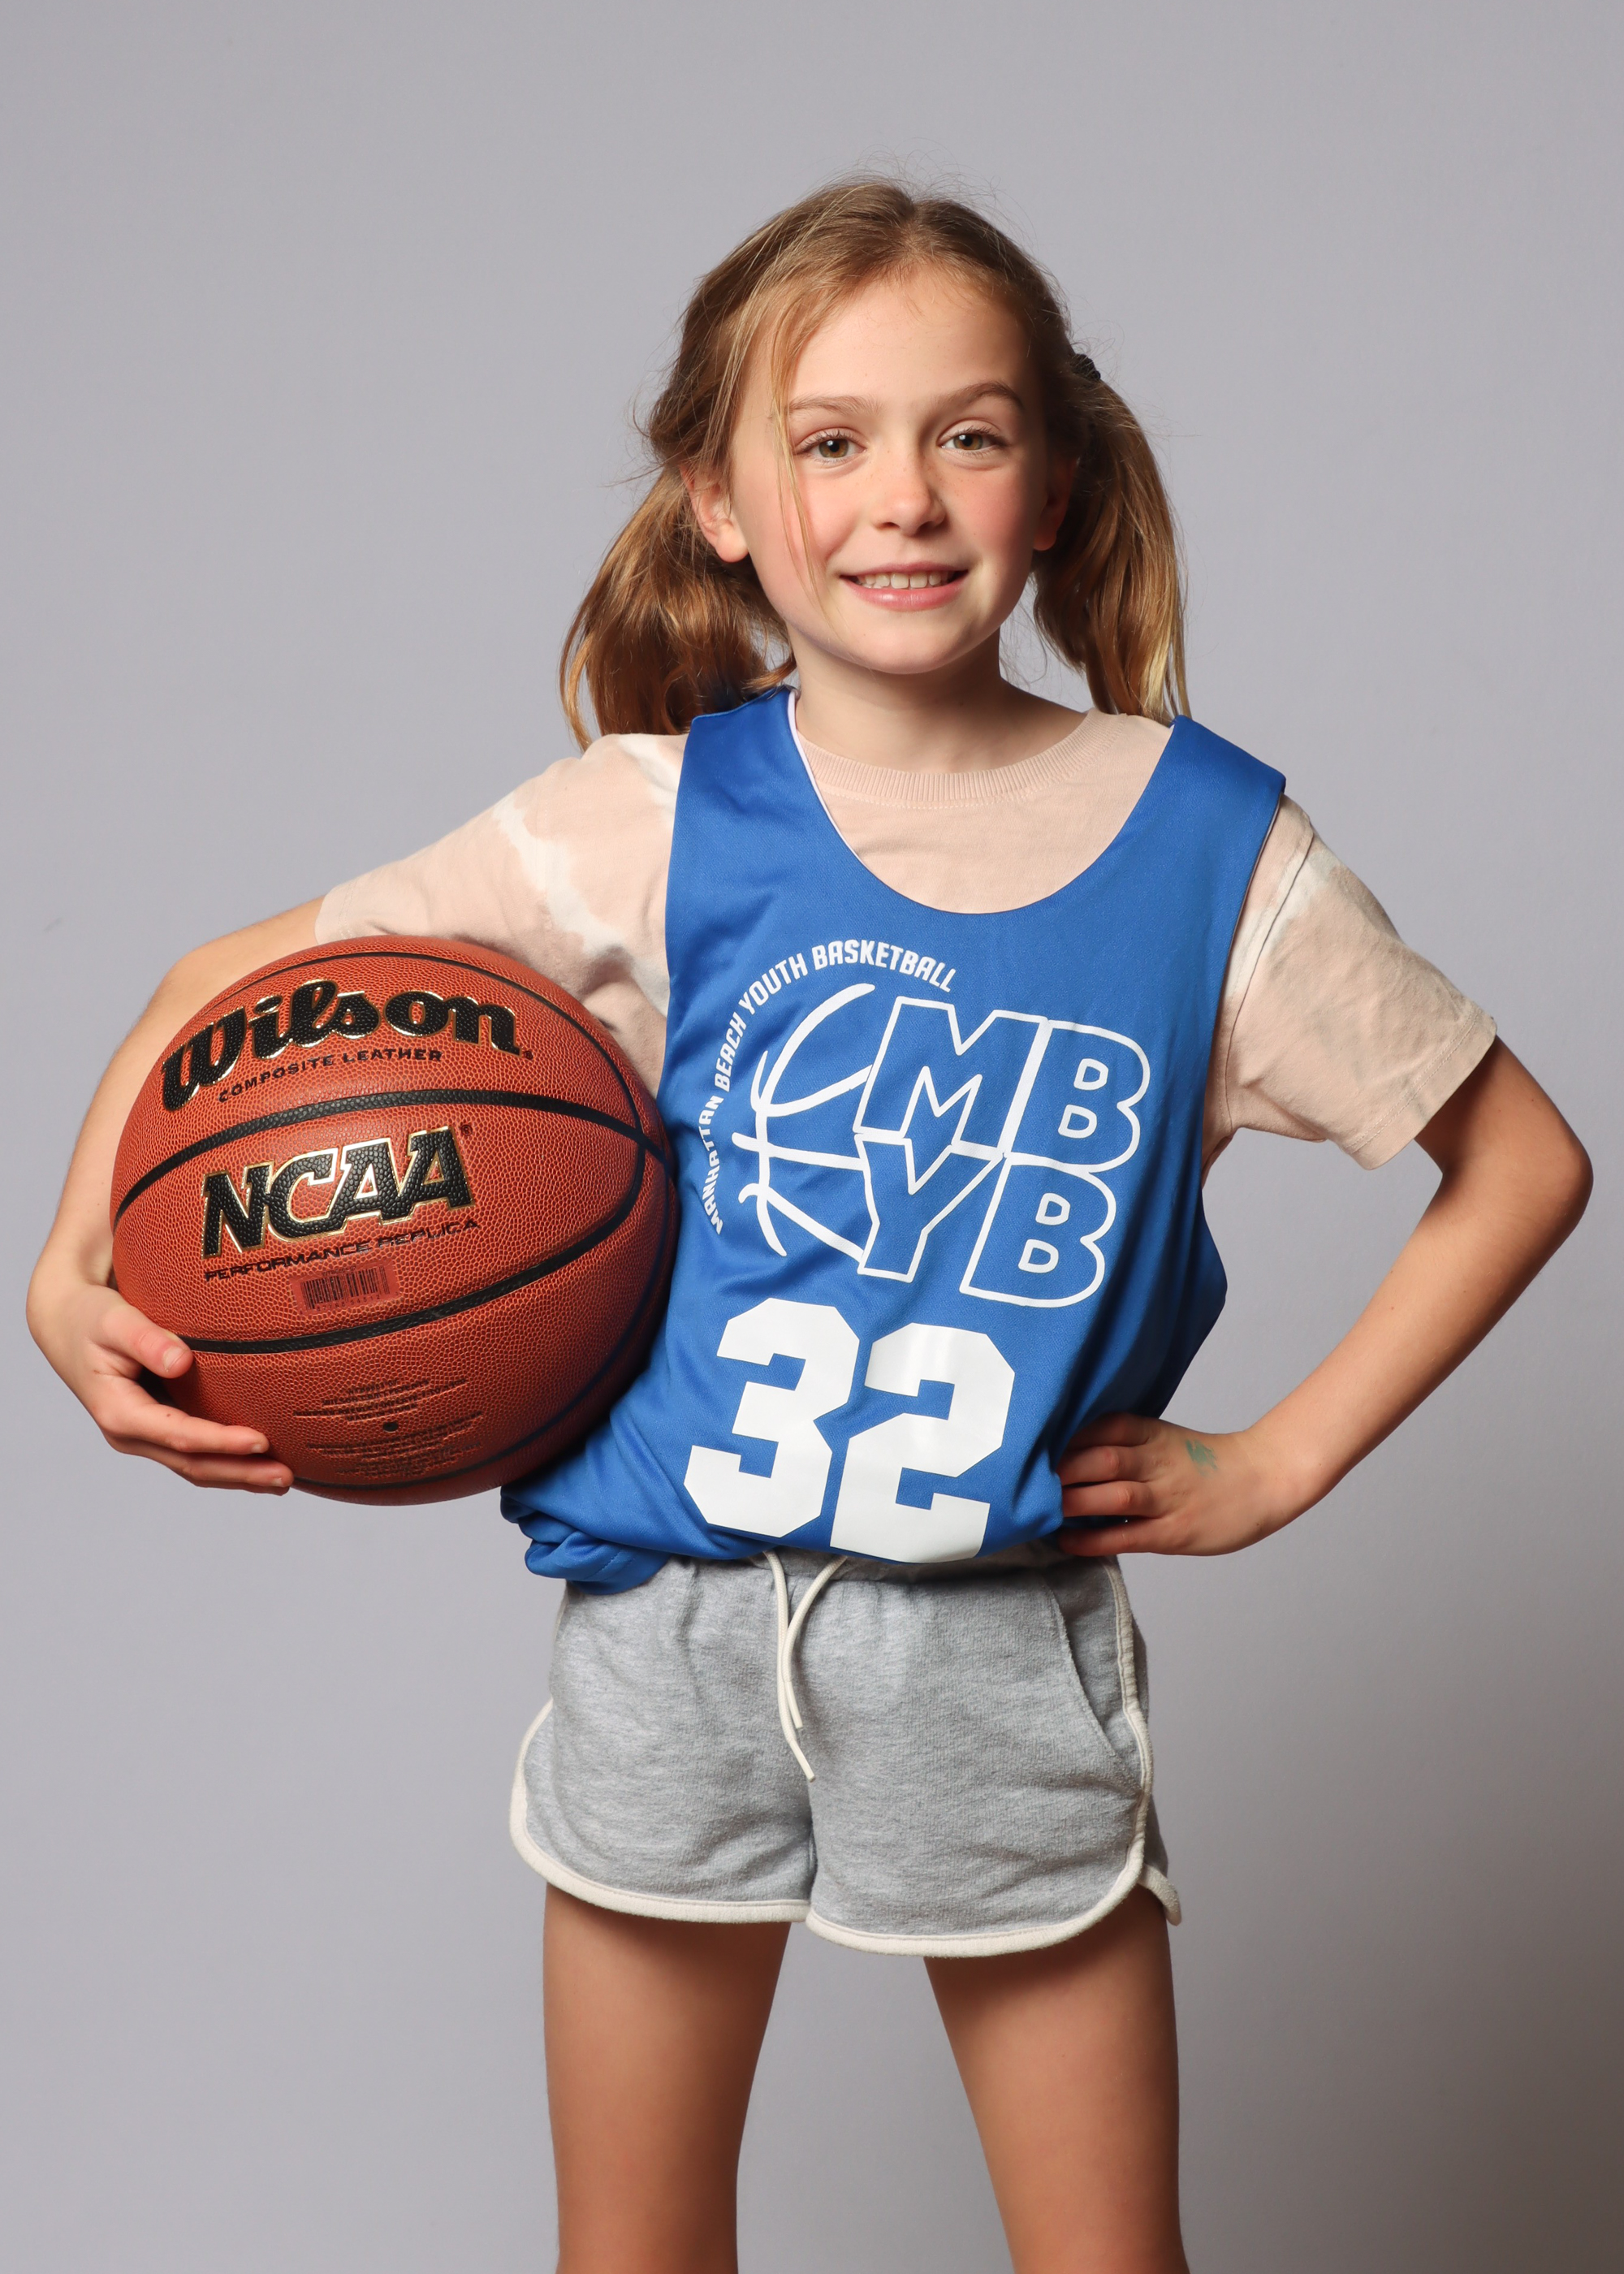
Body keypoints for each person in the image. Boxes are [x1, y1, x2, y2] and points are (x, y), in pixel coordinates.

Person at [28, 179, 1591, 2273]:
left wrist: (1278, 1466)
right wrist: (68, 1270)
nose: (904, 498)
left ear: (1056, 480)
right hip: (667, 1636)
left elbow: (1526, 1163)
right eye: (831, 440)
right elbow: (216, 988)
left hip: (993, 1646)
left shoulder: (1213, 852)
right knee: (635, 2252)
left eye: (970, 433)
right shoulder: (649, 820)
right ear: (721, 504)